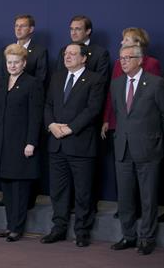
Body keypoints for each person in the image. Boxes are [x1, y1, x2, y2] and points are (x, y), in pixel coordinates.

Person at [41, 43, 105, 247]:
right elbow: (48, 105)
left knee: (83, 191)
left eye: (72, 54)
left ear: (84, 58)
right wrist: (51, 125)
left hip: (80, 144)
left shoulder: (95, 79)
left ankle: (82, 231)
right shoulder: (57, 77)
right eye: (65, 54)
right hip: (56, 144)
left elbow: (93, 109)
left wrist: (70, 128)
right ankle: (58, 228)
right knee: (58, 191)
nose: (67, 57)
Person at [101, 27, 161, 219]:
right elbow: (114, 98)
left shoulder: (152, 68)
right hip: (122, 134)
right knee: (125, 186)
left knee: (146, 189)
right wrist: (107, 120)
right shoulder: (119, 67)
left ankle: (145, 233)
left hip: (145, 138)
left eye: (126, 40)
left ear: (137, 44)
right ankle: (127, 226)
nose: (121, 42)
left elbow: (156, 104)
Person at [110, 44, 164, 256]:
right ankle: (128, 235)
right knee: (124, 197)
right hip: (122, 148)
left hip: (148, 148)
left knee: (148, 198)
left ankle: (146, 238)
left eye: (128, 58)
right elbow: (120, 114)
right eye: (121, 58)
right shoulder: (116, 84)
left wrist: (158, 141)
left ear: (140, 60)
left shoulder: (156, 83)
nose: (123, 61)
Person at [0, 44, 44, 242]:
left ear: (24, 63)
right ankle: (9, 225)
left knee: (20, 189)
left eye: (16, 62)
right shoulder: (1, 82)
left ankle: (17, 228)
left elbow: (35, 116)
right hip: (2, 143)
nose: (12, 66)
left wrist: (31, 142)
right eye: (9, 62)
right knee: (6, 187)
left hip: (21, 143)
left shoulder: (32, 83)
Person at [0, 14, 48, 83]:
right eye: (16, 26)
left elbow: (40, 79)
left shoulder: (40, 52)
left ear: (31, 29)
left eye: (23, 26)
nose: (18, 29)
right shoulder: (6, 50)